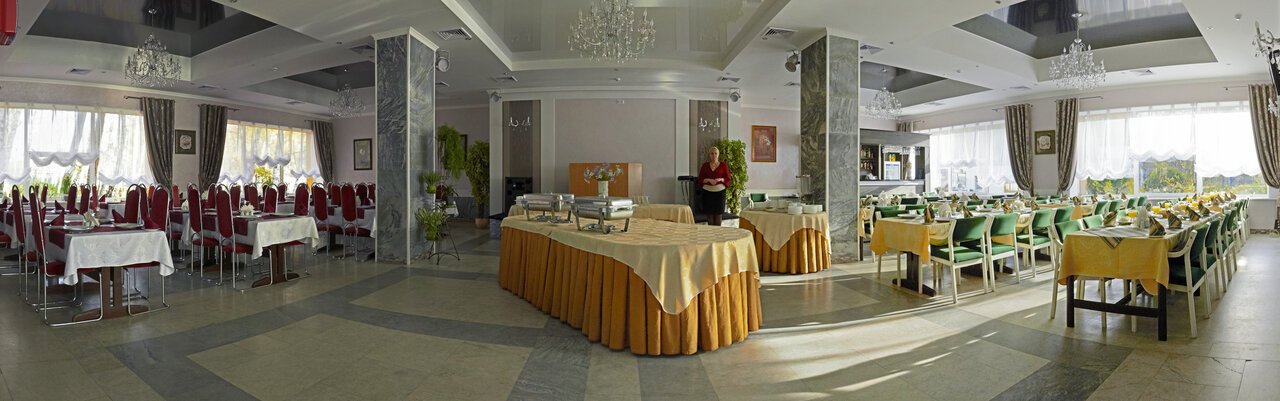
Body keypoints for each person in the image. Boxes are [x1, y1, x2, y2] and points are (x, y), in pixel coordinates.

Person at [698, 146, 731, 226]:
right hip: (707, 193)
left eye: (716, 153)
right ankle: (711, 233)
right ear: (709, 155)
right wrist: (708, 180)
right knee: (709, 215)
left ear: (718, 155)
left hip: (720, 193)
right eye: (712, 153)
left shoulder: (723, 165)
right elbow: (700, 179)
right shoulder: (705, 166)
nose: (714, 155)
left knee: (718, 215)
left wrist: (720, 179)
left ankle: (718, 233)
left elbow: (727, 179)